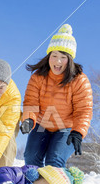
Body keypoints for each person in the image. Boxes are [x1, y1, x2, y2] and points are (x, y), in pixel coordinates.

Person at [20, 24, 93, 168]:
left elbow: (84, 109)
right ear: (48, 57)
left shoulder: (79, 80)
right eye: (54, 56)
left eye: (63, 57)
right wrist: (28, 119)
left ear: (70, 59)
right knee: (31, 158)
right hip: (41, 124)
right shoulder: (38, 77)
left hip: (65, 128)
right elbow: (31, 101)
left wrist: (78, 132)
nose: (57, 61)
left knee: (54, 160)